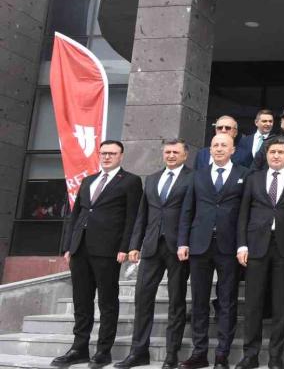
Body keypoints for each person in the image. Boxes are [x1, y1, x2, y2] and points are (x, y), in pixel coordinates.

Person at [52, 141, 143, 369]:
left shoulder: (131, 181)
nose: (107, 157)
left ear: (121, 156)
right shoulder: (88, 180)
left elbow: (132, 217)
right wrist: (68, 246)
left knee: (107, 302)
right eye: (103, 153)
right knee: (81, 301)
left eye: (112, 153)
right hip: (80, 249)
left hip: (108, 250)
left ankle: (103, 351)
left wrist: (125, 247)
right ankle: (79, 349)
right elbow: (76, 214)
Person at [115, 140, 194, 369]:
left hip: (177, 247)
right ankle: (138, 352)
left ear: (185, 155)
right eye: (167, 152)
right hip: (151, 247)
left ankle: (171, 354)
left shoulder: (193, 178)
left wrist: (186, 242)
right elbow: (142, 214)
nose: (171, 155)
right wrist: (134, 245)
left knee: (176, 301)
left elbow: (192, 213)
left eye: (176, 152)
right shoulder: (151, 178)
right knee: (142, 298)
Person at [177, 134, 250, 369]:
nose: (218, 149)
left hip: (229, 246)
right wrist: (182, 242)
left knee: (227, 301)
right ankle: (199, 352)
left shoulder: (244, 174)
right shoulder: (197, 175)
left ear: (233, 150)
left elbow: (246, 213)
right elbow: (187, 210)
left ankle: (222, 355)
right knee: (199, 301)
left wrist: (243, 244)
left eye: (223, 145)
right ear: (210, 150)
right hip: (199, 245)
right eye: (215, 145)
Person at [236, 137, 284, 369]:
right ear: (266, 155)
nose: (276, 155)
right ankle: (250, 355)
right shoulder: (253, 178)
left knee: (281, 304)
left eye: (280, 152)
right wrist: (242, 245)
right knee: (253, 303)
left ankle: (276, 356)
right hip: (255, 246)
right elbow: (243, 213)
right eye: (272, 151)